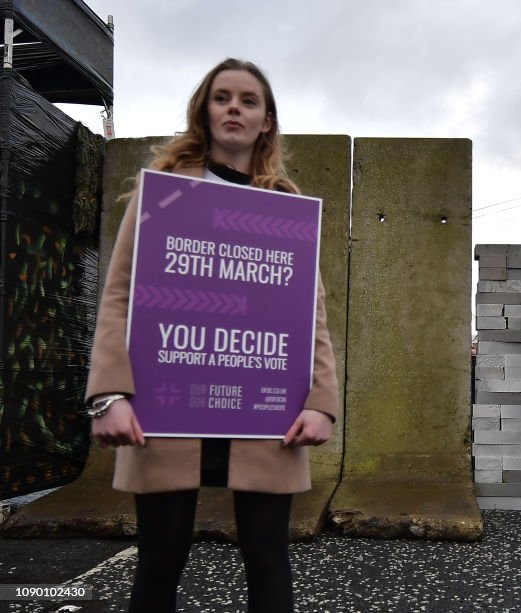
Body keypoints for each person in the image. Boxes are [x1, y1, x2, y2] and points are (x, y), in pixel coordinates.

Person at [86, 58, 339, 612]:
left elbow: (309, 315)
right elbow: (120, 296)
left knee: (270, 558)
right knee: (160, 559)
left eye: (248, 100)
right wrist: (108, 395)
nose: (234, 108)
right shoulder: (164, 197)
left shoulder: (288, 208)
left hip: (268, 412)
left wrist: (322, 402)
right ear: (204, 109)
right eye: (222, 97)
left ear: (266, 121)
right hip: (165, 407)